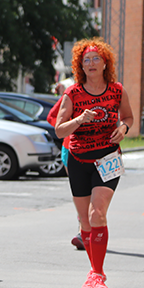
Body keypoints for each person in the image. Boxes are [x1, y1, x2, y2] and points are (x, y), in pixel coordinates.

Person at [55, 38, 133, 288]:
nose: (91, 63)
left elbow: (129, 117)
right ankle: (93, 270)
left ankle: (98, 274)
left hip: (107, 159)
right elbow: (59, 130)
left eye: (95, 58)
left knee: (96, 213)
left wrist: (123, 128)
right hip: (79, 160)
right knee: (85, 224)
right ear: (80, 65)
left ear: (105, 63)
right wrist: (79, 119)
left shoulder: (117, 90)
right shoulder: (73, 93)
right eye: (85, 60)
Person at [45, 97, 83, 250]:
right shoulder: (73, 93)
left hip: (98, 150)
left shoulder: (107, 92)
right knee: (80, 192)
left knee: (95, 195)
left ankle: (88, 231)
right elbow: (52, 117)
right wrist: (70, 128)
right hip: (71, 148)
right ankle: (83, 232)